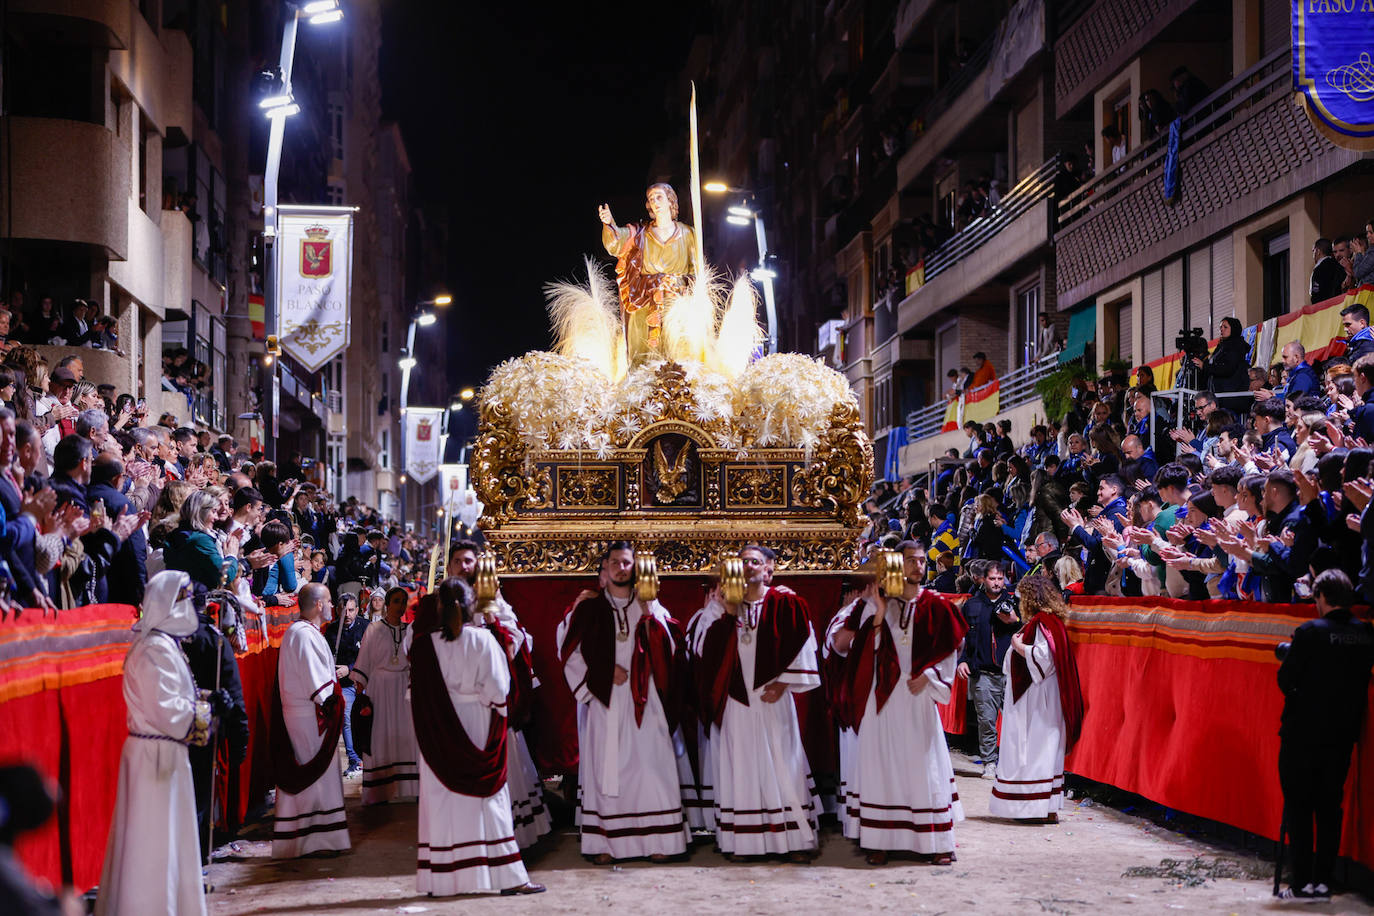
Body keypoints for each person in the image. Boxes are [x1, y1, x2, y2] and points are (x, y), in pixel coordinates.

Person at [835, 540, 968, 866]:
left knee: (924, 767)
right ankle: (881, 839)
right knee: (883, 766)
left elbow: (951, 648)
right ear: (899, 564)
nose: (918, 566)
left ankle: (936, 841)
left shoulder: (937, 604)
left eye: (922, 561)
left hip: (918, 699)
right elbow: (856, 649)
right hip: (882, 699)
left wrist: (932, 676)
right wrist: (879, 611)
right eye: (911, 560)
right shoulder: (880, 604)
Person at [409, 579, 545, 896]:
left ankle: (442, 880)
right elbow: (500, 690)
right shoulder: (484, 641)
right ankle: (508, 877)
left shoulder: (424, 645)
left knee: (442, 801)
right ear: (472, 605)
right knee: (489, 802)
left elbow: (415, 696)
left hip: (439, 732)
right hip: (479, 725)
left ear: (438, 608)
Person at [558, 541, 689, 863]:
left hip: (648, 698)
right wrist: (601, 676)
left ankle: (661, 840)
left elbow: (673, 649)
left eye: (626, 562)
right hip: (609, 701)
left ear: (635, 567)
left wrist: (650, 617)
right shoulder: (589, 609)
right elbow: (568, 653)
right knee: (609, 770)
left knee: (652, 765)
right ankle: (606, 844)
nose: (621, 567)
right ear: (606, 568)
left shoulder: (650, 605)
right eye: (614, 562)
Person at [95, 571, 214, 916]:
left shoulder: (164, 646)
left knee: (169, 838)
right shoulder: (151, 650)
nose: (189, 607)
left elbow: (175, 697)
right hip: (154, 758)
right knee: (152, 840)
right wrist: (206, 710)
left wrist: (203, 701)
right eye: (183, 599)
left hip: (165, 754)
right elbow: (167, 711)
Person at [693, 544, 821, 860]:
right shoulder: (720, 609)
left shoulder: (786, 603)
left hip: (774, 700)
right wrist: (728, 615)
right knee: (743, 766)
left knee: (783, 765)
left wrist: (783, 683)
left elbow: (805, 644)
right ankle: (745, 842)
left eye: (755, 561)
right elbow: (702, 655)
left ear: (769, 570)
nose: (748, 567)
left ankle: (795, 840)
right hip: (737, 703)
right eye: (742, 562)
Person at [1275, 569, 1374, 901]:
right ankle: (1323, 882)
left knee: (1300, 808)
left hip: (1303, 733)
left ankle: (1301, 883)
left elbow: (1286, 681)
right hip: (1342, 734)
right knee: (1330, 808)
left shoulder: (1310, 632)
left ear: (1320, 597)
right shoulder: (1365, 633)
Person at [449, 541, 550, 848]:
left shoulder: (491, 597)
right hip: (456, 698)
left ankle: (508, 834)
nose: (464, 566)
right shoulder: (443, 599)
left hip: (491, 696)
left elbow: (519, 636)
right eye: (458, 561)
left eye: (469, 561)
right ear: (450, 566)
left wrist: (494, 632)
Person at [988, 575, 1084, 823]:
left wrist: (1017, 646)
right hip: (1047, 696)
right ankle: (1047, 807)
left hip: (1037, 698)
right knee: (1044, 749)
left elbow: (1044, 659)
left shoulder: (1043, 622)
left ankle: (1032, 808)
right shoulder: (1052, 622)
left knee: (1033, 748)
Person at [271, 583, 350, 858]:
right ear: (318, 605)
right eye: (329, 601)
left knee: (319, 778)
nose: (332, 607)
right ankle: (313, 839)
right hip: (308, 718)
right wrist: (332, 703)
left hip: (307, 715)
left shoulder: (306, 633)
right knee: (314, 778)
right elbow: (320, 687)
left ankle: (316, 837)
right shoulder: (303, 635)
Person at [599, 183, 697, 361]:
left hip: (676, 302)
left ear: (670, 201)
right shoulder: (640, 234)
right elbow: (617, 243)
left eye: (659, 197)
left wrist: (678, 284)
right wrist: (609, 224)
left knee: (678, 355)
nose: (655, 202)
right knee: (645, 358)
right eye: (651, 199)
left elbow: (696, 272)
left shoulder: (688, 233)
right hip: (644, 301)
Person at [350, 586, 420, 805]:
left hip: (403, 688)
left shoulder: (410, 631)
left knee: (405, 735)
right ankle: (379, 792)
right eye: (396, 600)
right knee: (380, 736)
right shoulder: (373, 629)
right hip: (379, 690)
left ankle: (408, 789)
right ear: (388, 604)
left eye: (403, 601)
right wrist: (362, 700)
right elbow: (362, 666)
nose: (400, 605)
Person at [957, 563, 1019, 779]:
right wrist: (962, 661)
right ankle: (990, 762)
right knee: (986, 721)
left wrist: (1015, 621)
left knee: (1017, 721)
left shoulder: (1015, 603)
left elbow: (1026, 631)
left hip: (1012, 674)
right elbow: (963, 638)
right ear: (983, 579)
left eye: (1000, 579)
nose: (996, 583)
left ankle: (1015, 763)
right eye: (992, 579)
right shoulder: (972, 605)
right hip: (983, 672)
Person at [324, 593, 370, 778]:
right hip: (344, 684)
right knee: (346, 716)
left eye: (351, 610)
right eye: (344, 610)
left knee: (369, 719)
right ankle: (354, 760)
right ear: (337, 610)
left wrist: (349, 669)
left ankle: (371, 758)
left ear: (358, 610)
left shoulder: (367, 627)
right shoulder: (331, 630)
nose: (348, 614)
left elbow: (370, 655)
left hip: (364, 680)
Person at [1311, 239, 1346, 304]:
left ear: (1318, 251)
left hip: (1325, 307)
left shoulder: (1319, 269)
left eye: (1313, 251)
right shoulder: (1338, 265)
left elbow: (1316, 295)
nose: (1313, 255)